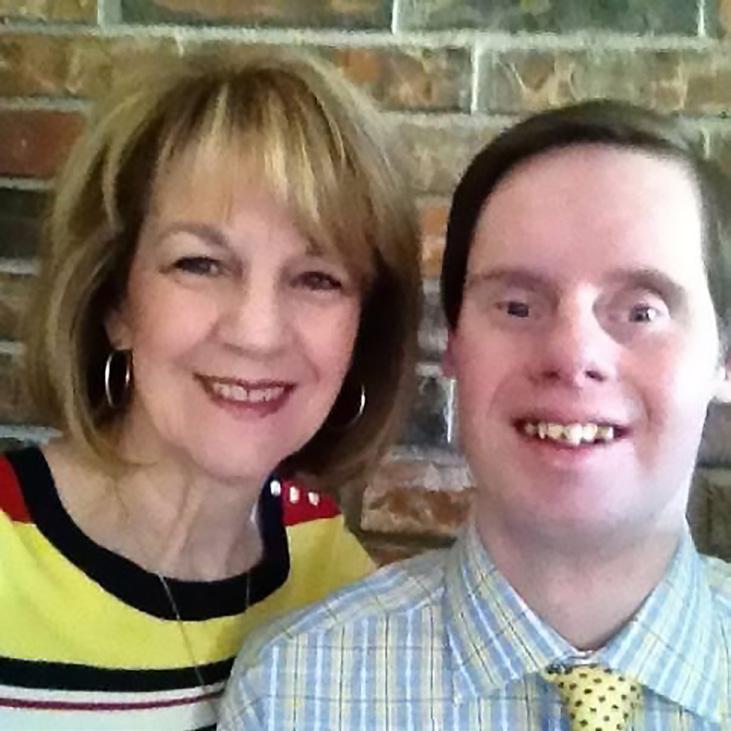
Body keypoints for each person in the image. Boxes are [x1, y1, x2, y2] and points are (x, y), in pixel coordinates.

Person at [218, 100, 731, 730]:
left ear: (723, 357)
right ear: (455, 345)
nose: (572, 356)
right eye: (517, 306)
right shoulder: (292, 692)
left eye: (641, 311)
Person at [0, 48, 421, 730]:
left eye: (317, 278)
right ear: (115, 302)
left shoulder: (331, 572)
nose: (257, 334)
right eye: (200, 264)